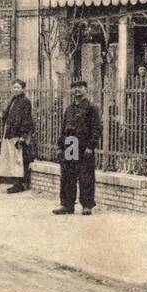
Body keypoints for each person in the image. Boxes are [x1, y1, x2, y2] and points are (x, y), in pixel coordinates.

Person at [53, 80, 101, 216]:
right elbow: (63, 129)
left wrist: (91, 146)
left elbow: (96, 129)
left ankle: (87, 205)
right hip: (70, 144)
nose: (77, 90)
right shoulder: (69, 109)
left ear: (86, 89)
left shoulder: (91, 108)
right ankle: (67, 205)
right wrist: (60, 146)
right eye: (74, 88)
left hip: (84, 145)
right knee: (68, 176)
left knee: (86, 176)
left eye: (80, 87)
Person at [0, 79, 36, 193]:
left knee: (18, 159)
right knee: (11, 158)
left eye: (18, 87)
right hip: (10, 133)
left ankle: (19, 184)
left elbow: (26, 119)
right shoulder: (13, 100)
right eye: (14, 87)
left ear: (23, 89)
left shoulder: (25, 101)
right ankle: (14, 181)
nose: (15, 89)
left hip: (17, 134)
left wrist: (23, 136)